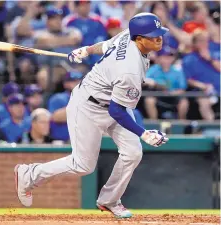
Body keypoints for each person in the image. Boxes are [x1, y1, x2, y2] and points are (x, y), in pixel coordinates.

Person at [14, 13, 169, 218]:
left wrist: (86, 50)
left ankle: (110, 200)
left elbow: (104, 46)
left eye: (159, 34)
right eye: (153, 35)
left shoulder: (127, 36)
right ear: (138, 38)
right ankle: (30, 174)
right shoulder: (129, 70)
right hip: (88, 106)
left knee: (132, 153)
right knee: (83, 165)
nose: (159, 38)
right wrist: (143, 133)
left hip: (113, 101)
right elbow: (117, 111)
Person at [182, 30, 220, 121]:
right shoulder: (188, 59)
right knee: (204, 102)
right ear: (194, 43)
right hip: (202, 92)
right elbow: (188, 80)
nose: (204, 43)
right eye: (201, 41)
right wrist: (203, 86)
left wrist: (210, 59)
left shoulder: (215, 55)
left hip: (218, 90)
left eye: (206, 40)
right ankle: (212, 128)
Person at [144, 47, 189, 120]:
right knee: (149, 100)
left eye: (169, 57)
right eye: (164, 57)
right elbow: (144, 80)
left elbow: (182, 89)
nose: (167, 59)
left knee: (184, 102)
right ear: (159, 58)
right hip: (158, 94)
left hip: (173, 95)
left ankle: (181, 124)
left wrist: (172, 93)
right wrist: (153, 83)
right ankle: (154, 124)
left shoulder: (177, 70)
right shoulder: (154, 69)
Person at [63, 0, 107, 66]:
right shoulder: (69, 21)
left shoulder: (99, 20)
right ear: (76, 7)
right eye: (82, 5)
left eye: (87, 4)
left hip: (97, 52)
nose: (86, 7)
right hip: (79, 53)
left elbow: (106, 38)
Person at [48, 71, 83, 142]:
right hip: (60, 141)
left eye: (79, 81)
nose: (78, 84)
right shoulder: (58, 98)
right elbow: (55, 117)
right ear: (65, 84)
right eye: (73, 81)